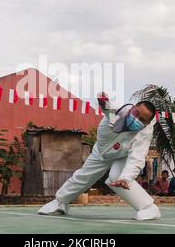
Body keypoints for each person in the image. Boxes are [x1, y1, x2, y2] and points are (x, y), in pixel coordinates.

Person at [37, 91, 161, 220]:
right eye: (137, 114)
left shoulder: (145, 131)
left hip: (123, 154)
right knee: (83, 176)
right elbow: (108, 108)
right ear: (133, 108)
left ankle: (149, 208)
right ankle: (60, 203)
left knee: (116, 177)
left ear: (147, 124)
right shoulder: (119, 112)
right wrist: (103, 102)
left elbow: (137, 156)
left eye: (142, 120)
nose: (137, 119)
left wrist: (126, 178)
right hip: (101, 152)